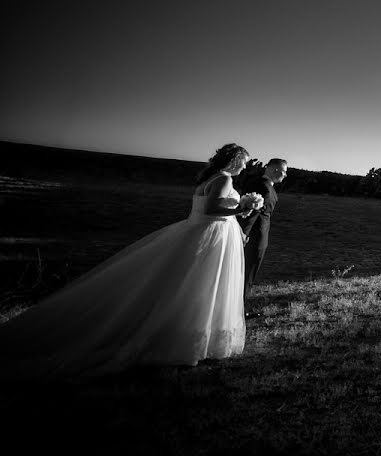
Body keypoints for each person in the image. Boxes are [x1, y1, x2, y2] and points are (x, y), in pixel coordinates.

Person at [0, 143, 259, 382]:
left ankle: (187, 333)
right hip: (210, 236)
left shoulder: (210, 178)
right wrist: (241, 209)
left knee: (188, 284)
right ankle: (186, 339)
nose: (245, 167)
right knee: (202, 286)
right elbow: (212, 209)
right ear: (234, 160)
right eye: (244, 162)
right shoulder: (224, 179)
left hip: (199, 232)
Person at [239, 157, 287, 303]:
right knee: (248, 274)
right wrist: (244, 234)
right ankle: (240, 310)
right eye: (284, 171)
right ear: (275, 170)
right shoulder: (265, 188)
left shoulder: (256, 182)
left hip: (252, 234)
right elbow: (251, 214)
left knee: (242, 272)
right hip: (255, 237)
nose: (285, 175)